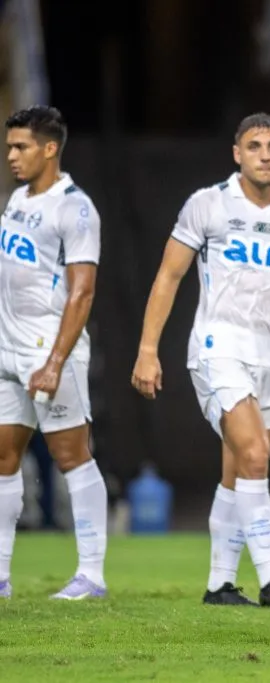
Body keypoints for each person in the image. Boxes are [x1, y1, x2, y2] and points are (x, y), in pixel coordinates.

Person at [130, 113, 270, 609]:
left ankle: (219, 584)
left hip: (269, 355)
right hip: (218, 346)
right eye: (254, 146)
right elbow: (169, 277)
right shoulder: (208, 204)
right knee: (254, 455)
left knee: (240, 469)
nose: (265, 155)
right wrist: (147, 350)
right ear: (237, 153)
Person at [0, 105, 108, 600]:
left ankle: (91, 575)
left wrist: (55, 363)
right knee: (4, 456)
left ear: (49, 149)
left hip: (49, 349)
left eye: (20, 146)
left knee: (72, 456)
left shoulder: (75, 208)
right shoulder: (17, 198)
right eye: (9, 146)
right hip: (8, 349)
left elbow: (82, 293)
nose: (11, 155)